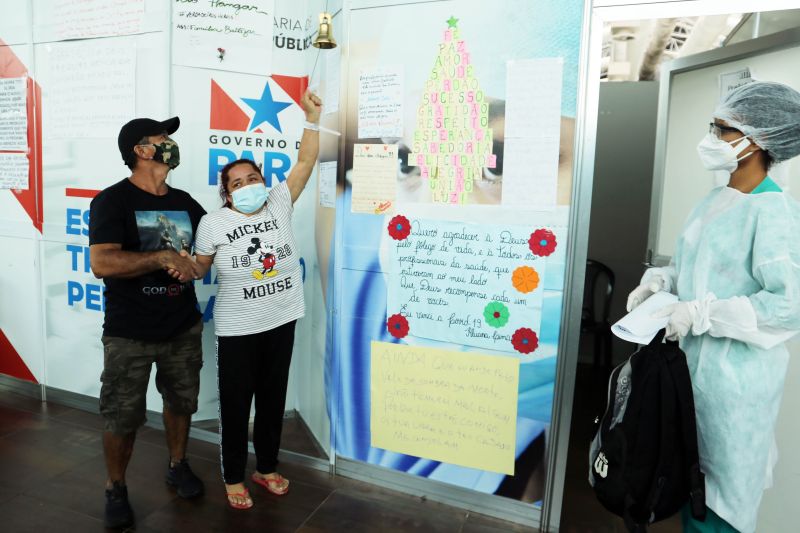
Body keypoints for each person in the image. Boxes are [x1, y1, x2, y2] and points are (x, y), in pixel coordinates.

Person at [627, 81, 800, 533]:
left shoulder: (775, 213)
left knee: (721, 505)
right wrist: (661, 282)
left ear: (757, 141)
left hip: (733, 389)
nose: (712, 138)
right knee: (690, 486)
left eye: (723, 130)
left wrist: (705, 314)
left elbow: (787, 305)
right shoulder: (714, 202)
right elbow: (692, 272)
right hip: (689, 377)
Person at [184, 90, 321, 509]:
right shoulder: (213, 223)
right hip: (239, 327)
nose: (247, 186)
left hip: (283, 316)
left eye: (252, 179)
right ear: (227, 193)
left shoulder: (278, 202)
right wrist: (177, 263)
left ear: (263, 182)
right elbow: (200, 268)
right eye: (236, 183)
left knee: (273, 398)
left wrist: (312, 118)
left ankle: (266, 467)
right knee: (237, 404)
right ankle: (232, 476)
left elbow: (305, 162)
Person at [89, 117, 207, 528]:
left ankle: (178, 464)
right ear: (140, 151)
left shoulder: (188, 203)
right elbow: (102, 262)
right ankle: (115, 486)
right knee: (122, 416)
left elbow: (208, 253)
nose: (170, 143)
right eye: (163, 138)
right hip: (129, 333)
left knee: (181, 403)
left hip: (183, 327)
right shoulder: (112, 202)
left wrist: (195, 265)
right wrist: (160, 257)